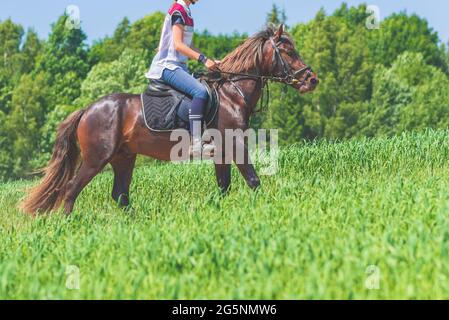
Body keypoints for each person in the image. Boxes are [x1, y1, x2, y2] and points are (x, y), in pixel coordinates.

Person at [145, 0, 219, 157]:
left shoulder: (187, 12)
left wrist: (210, 60)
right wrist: (203, 60)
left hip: (179, 67)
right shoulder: (178, 10)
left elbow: (189, 45)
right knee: (200, 92)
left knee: (206, 87)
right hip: (168, 66)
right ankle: (196, 143)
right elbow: (178, 45)